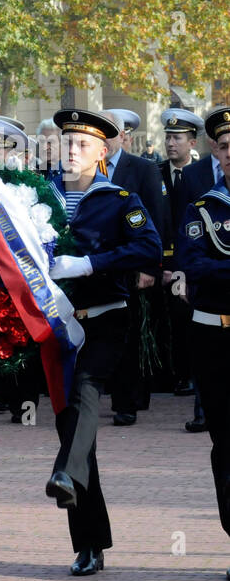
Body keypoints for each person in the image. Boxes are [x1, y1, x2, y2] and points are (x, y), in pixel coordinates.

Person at [43, 108, 161, 576]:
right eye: (67, 143)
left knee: (85, 392)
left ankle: (67, 474)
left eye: (83, 145)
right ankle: (89, 541)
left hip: (104, 318)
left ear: (103, 153)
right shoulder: (39, 196)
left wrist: (91, 264)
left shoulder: (119, 199)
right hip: (53, 322)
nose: (72, 151)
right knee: (72, 425)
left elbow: (148, 248)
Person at [175, 105, 230, 581]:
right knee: (224, 441)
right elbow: (195, 263)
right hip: (213, 331)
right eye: (227, 147)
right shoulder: (203, 207)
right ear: (216, 150)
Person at [104, 108, 167, 427]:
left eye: (109, 130)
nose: (103, 136)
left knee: (128, 334)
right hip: (97, 267)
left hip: (131, 265)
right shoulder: (86, 169)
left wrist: (150, 268)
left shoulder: (142, 168)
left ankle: (126, 402)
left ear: (123, 136)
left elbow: (156, 219)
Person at [158, 108, 211, 428]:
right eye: (168, 137)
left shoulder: (201, 176)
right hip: (161, 260)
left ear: (192, 142)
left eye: (177, 138)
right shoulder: (156, 172)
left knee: (189, 322)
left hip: (189, 262)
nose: (170, 144)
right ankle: (172, 374)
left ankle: (188, 377)